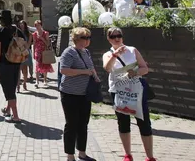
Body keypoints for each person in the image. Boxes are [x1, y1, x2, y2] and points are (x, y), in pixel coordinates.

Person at [102, 27, 156, 161]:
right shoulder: (107, 54)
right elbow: (107, 68)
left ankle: (150, 156)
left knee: (144, 122)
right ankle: (128, 154)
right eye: (113, 36)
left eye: (118, 35)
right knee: (123, 122)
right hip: (118, 91)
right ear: (108, 39)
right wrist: (115, 55)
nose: (116, 38)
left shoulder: (132, 50)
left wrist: (136, 72)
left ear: (122, 36)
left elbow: (145, 68)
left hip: (136, 90)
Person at [59, 27, 99, 161]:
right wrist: (83, 72)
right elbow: (64, 70)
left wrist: (95, 76)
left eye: (89, 38)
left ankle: (82, 152)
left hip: (84, 94)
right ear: (77, 39)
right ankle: (70, 156)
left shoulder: (86, 52)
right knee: (71, 124)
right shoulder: (69, 52)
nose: (88, 41)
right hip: (70, 94)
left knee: (83, 124)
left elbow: (91, 67)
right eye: (85, 38)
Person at [0, 10, 22, 123]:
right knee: (12, 86)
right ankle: (8, 110)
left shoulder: (0, 31)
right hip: (16, 61)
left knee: (8, 89)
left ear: (2, 20)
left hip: (5, 63)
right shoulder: (16, 30)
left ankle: (15, 116)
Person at [32, 20, 54, 88]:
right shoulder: (34, 34)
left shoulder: (45, 33)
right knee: (37, 65)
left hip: (44, 51)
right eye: (36, 25)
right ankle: (37, 81)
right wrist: (33, 52)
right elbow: (34, 44)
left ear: (41, 25)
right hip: (37, 51)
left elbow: (48, 43)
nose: (37, 27)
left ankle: (45, 80)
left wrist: (42, 38)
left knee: (45, 65)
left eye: (38, 25)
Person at [16, 21, 34, 92]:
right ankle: (18, 86)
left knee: (25, 70)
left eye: (23, 24)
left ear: (25, 25)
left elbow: (28, 45)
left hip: (26, 53)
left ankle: (25, 83)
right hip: (18, 53)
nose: (21, 25)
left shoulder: (29, 34)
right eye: (20, 24)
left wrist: (22, 45)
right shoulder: (17, 33)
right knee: (18, 70)